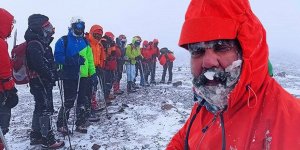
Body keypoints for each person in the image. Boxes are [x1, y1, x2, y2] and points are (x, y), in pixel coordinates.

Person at [167, 0, 300, 149]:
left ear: (245, 50)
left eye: (221, 47)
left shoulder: (291, 122)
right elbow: (183, 140)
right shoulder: (206, 105)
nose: (208, 62)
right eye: (198, 51)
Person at [25, 14, 64, 149]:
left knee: (39, 107)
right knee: (46, 109)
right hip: (40, 82)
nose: (50, 29)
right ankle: (47, 138)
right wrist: (52, 75)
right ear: (39, 27)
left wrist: (53, 73)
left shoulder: (39, 43)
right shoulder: (35, 44)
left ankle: (36, 135)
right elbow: (40, 65)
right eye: (47, 26)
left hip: (39, 81)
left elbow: (44, 64)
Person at [55, 17, 96, 134]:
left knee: (82, 100)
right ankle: (62, 124)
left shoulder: (85, 42)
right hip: (69, 75)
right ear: (72, 26)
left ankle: (80, 122)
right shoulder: (63, 41)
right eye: (77, 26)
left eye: (82, 26)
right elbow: (58, 57)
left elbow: (90, 60)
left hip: (84, 76)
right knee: (69, 100)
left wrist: (93, 74)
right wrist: (72, 60)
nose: (80, 29)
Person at [0, 8, 18, 150]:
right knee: (2, 121)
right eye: (10, 24)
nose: (11, 28)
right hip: (1, 90)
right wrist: (10, 89)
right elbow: (4, 70)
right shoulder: (0, 43)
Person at [85, 25, 104, 122]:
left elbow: (101, 56)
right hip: (87, 70)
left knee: (94, 88)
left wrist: (100, 65)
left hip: (95, 68)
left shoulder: (99, 45)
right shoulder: (87, 42)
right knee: (88, 90)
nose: (98, 36)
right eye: (96, 34)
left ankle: (93, 106)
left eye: (100, 35)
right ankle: (87, 109)